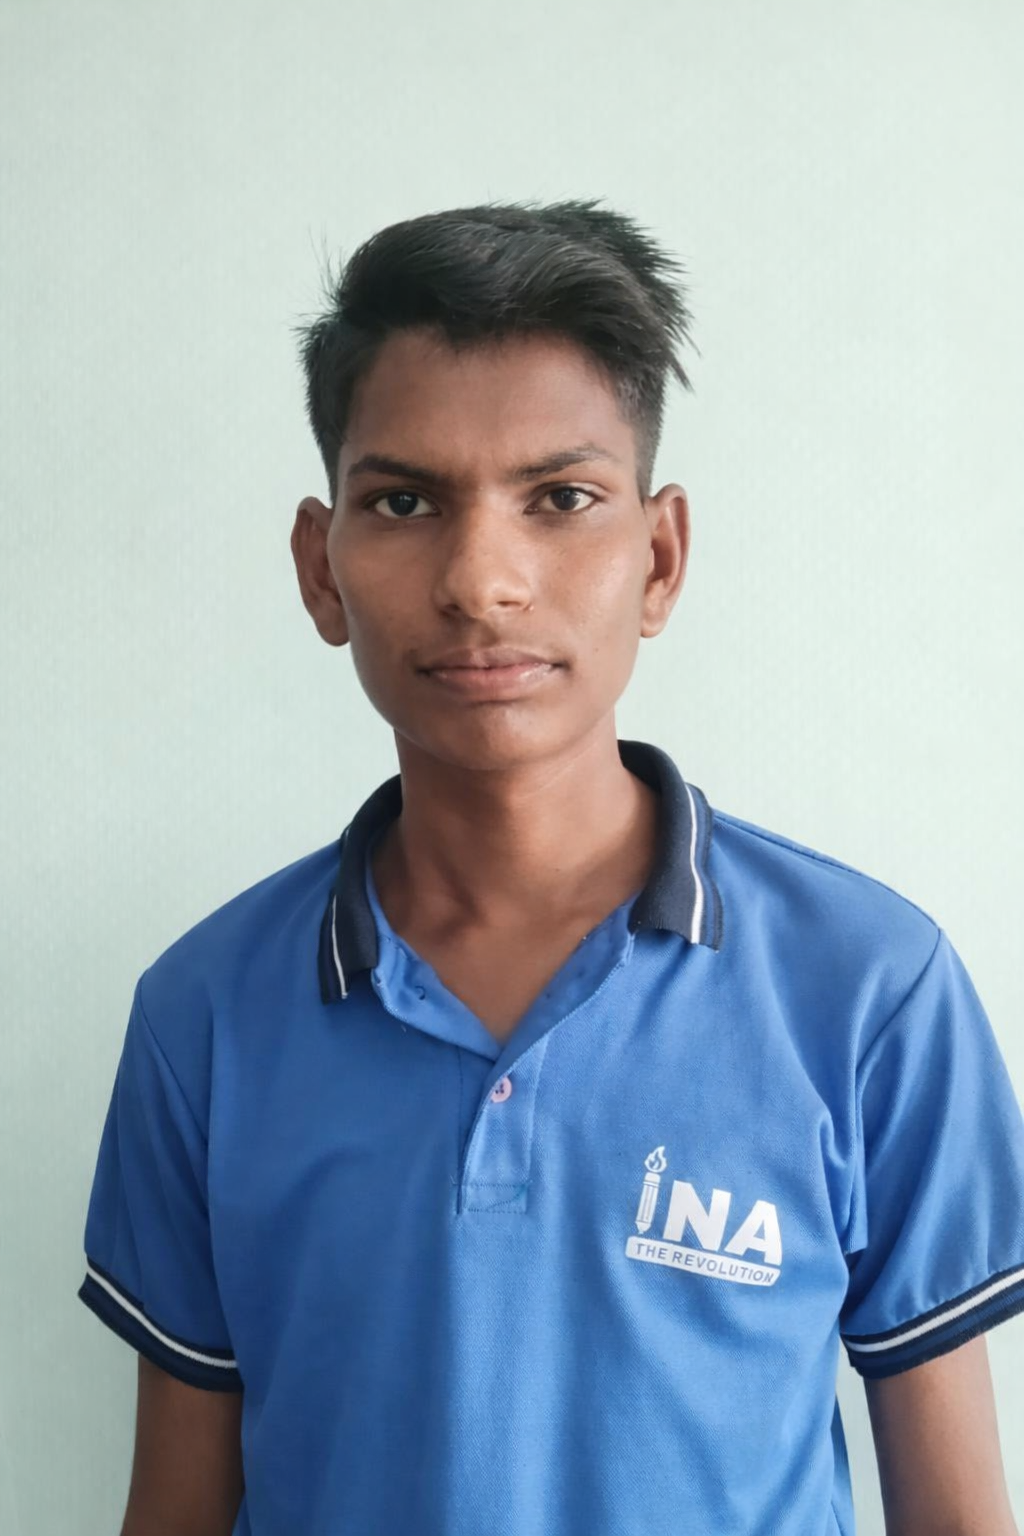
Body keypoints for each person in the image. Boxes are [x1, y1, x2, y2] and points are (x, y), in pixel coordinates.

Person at [77, 198, 1024, 1536]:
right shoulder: (207, 1015)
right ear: (321, 568)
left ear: (660, 557)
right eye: (405, 501)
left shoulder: (869, 988)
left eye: (561, 499)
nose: (483, 581)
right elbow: (173, 1508)